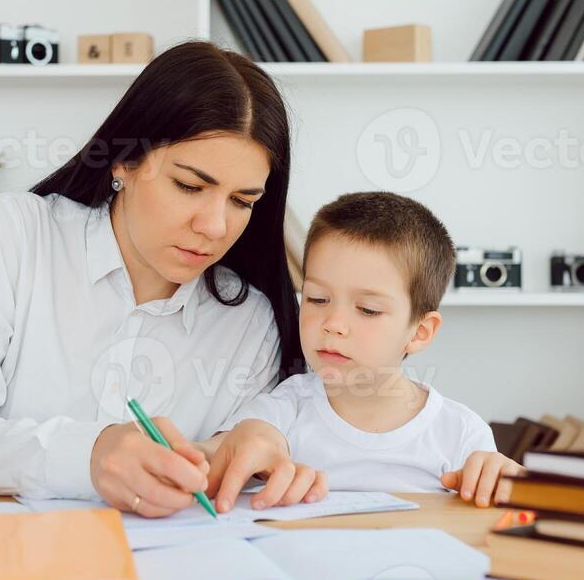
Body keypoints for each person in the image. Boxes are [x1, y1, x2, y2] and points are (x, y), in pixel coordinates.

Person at [0, 42, 327, 517]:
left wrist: (237, 456)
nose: (215, 226)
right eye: (190, 186)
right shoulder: (15, 233)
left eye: (242, 201)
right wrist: (89, 454)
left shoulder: (249, 321)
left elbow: (223, 475)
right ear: (124, 162)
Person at [220, 192, 524, 506]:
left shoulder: (461, 434)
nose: (333, 324)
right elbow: (238, 445)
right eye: (317, 299)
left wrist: (507, 483)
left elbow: (501, 508)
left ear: (419, 332)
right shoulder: (283, 411)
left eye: (367, 309)